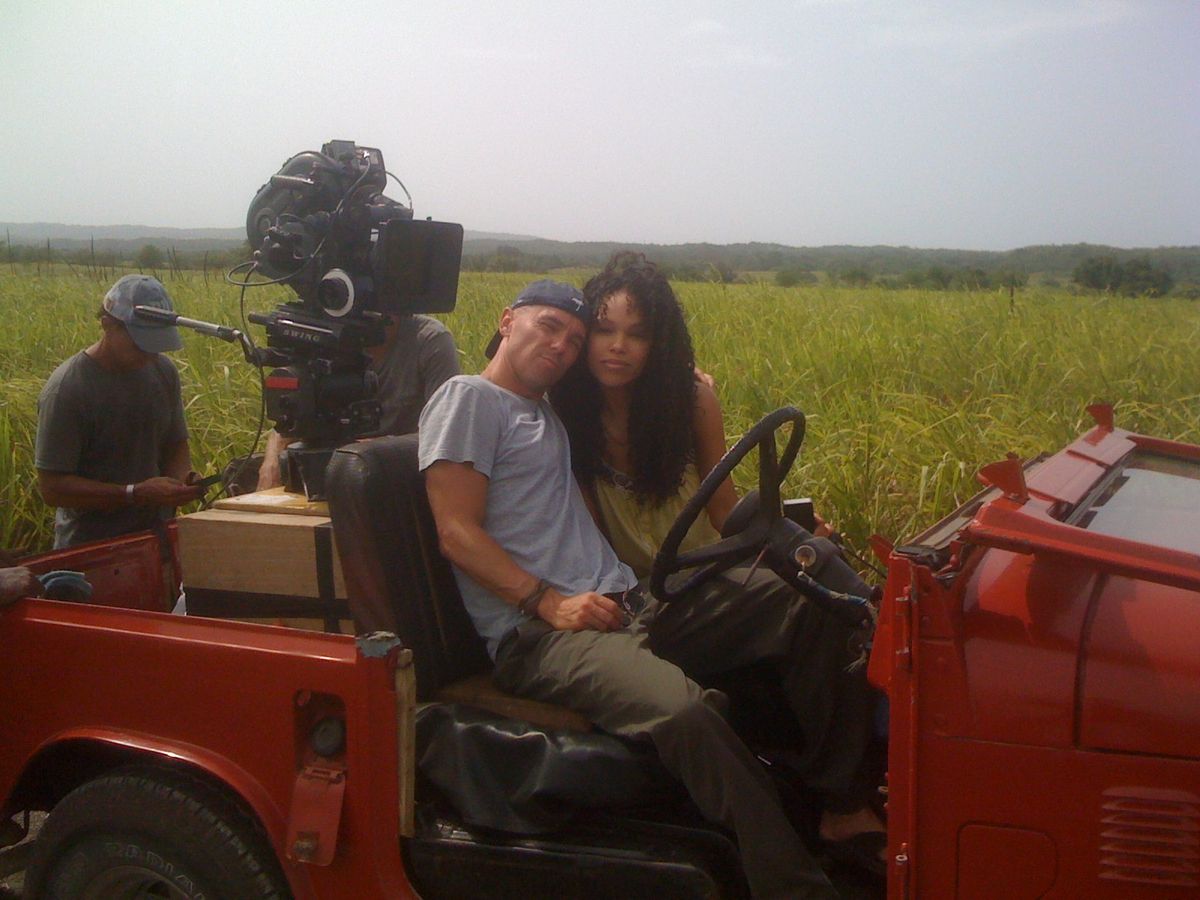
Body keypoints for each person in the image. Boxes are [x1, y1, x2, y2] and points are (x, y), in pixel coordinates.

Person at [419, 279, 882, 899]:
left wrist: (687, 378)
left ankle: (843, 802)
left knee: (805, 596)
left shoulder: (548, 412)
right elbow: (456, 532)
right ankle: (793, 885)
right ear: (507, 321)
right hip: (544, 634)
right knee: (687, 713)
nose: (562, 346)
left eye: (573, 338)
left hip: (628, 601)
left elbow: (633, 390)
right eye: (548, 327)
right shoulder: (467, 397)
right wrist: (546, 601)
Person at [552, 251, 831, 577]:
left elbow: (724, 511)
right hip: (632, 588)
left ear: (659, 344)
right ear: (585, 335)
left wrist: (788, 534)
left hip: (707, 573)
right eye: (604, 329)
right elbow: (592, 532)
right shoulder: (566, 414)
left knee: (821, 575)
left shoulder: (692, 403)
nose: (618, 345)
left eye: (638, 334)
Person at [35, 275, 203, 549]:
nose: (149, 355)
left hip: (155, 539)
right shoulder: (68, 389)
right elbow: (53, 488)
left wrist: (182, 481)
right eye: (141, 344)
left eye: (156, 345)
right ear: (107, 325)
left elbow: (174, 444)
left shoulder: (163, 371)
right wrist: (133, 493)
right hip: (91, 549)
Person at [256, 312, 460, 490]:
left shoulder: (429, 340)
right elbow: (294, 412)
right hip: (331, 464)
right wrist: (271, 460)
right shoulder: (325, 336)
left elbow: (445, 434)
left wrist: (378, 449)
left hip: (397, 472)